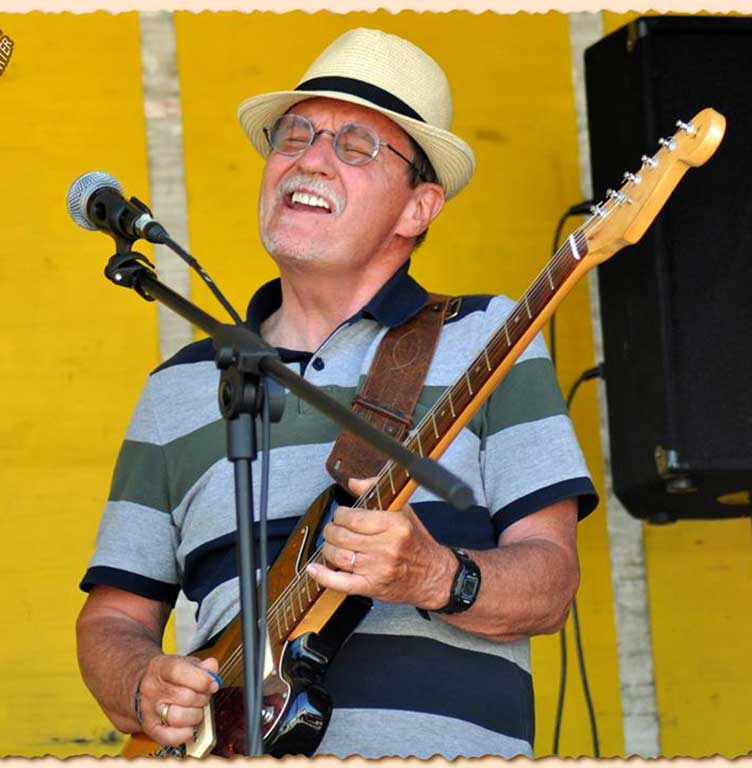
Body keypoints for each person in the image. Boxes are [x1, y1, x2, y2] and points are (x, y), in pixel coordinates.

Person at [76, 27, 597, 759]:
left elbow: (552, 582)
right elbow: (112, 620)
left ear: (418, 209)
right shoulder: (179, 388)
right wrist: (141, 685)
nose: (310, 159)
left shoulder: (488, 338)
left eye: (356, 146)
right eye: (294, 135)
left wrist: (435, 575)